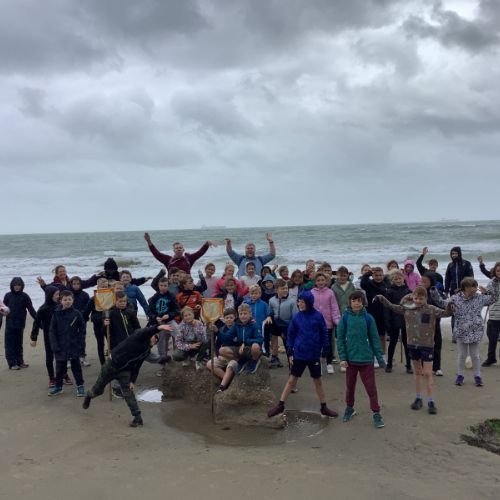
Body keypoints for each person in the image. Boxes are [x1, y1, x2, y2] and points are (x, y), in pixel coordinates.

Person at [376, 287, 452, 414]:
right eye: (416, 298)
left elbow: (446, 313)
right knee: (417, 373)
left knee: (427, 373)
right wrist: (382, 298)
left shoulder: (432, 309)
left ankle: (431, 401)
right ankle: (418, 398)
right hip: (412, 345)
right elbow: (393, 306)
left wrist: (450, 306)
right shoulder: (407, 308)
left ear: (426, 298)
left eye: (421, 298)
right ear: (413, 297)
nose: (418, 301)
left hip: (427, 345)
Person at [83, 324, 172, 427]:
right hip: (111, 366)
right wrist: (158, 327)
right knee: (98, 390)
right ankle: (89, 396)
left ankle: (137, 418)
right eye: (154, 337)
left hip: (125, 371)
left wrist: (132, 381)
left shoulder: (146, 352)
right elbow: (147, 331)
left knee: (128, 393)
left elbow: (138, 366)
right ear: (150, 335)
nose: (155, 340)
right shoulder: (138, 336)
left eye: (157, 340)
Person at [267, 291, 338, 419]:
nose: (299, 304)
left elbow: (324, 332)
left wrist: (326, 348)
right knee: (291, 380)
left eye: (302, 302)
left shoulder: (318, 316)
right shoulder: (297, 317)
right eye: (299, 301)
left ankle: (324, 407)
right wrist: (290, 350)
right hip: (299, 354)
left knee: (318, 381)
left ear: (309, 302)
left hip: (314, 354)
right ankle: (280, 405)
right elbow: (291, 334)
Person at [432, 277, 499, 387]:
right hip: (461, 330)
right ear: (465, 288)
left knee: (475, 355)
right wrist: (434, 292)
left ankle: (478, 376)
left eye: (475, 286)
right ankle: (460, 376)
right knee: (462, 355)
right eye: (472, 286)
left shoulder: (480, 298)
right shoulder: (456, 298)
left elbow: (495, 298)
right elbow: (442, 303)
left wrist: (491, 289)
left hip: (475, 330)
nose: (474, 289)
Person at [337, 291, 386, 428]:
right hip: (350, 361)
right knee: (350, 387)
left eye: (359, 301)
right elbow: (340, 339)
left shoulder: (368, 318)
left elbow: (375, 339)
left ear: (363, 302)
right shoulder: (345, 318)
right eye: (354, 301)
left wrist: (380, 358)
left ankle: (376, 413)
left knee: (371, 388)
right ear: (350, 302)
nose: (356, 303)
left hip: (366, 360)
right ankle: (349, 408)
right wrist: (342, 358)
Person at [48, 290, 86, 397]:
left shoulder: (77, 313)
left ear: (73, 300)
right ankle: (58, 387)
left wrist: (80, 344)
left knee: (76, 367)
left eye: (69, 299)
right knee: (60, 368)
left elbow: (82, 330)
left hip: (74, 345)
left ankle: (80, 385)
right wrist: (54, 346)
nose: (67, 301)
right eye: (65, 300)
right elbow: (52, 331)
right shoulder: (56, 314)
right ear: (61, 301)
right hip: (60, 346)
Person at [2, 277, 36, 370]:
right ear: (12, 286)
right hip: (10, 324)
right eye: (15, 285)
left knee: (18, 344)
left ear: (22, 286)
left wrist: (38, 320)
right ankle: (12, 364)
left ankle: (20, 362)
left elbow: (31, 310)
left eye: (19, 285)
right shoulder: (8, 296)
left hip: (20, 324)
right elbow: (2, 309)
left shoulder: (25, 296)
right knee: (10, 344)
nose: (17, 287)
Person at [30, 286, 60, 387]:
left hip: (60, 335)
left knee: (61, 356)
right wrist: (34, 338)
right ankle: (52, 378)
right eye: (56, 294)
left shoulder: (60, 306)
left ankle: (64, 375)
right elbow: (36, 323)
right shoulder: (43, 309)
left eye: (58, 294)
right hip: (48, 336)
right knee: (49, 356)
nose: (58, 296)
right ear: (50, 295)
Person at [311, 272, 341, 374]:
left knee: (327, 344)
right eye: (318, 280)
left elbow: (334, 307)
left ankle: (329, 363)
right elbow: (309, 308)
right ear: (315, 282)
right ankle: (317, 364)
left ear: (326, 281)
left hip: (327, 323)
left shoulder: (330, 292)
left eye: (322, 280)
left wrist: (337, 320)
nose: (320, 282)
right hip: (315, 324)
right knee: (316, 344)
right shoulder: (312, 292)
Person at [144, 232, 215, 274]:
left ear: (183, 250)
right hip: (173, 286)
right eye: (176, 248)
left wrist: (206, 244)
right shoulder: (168, 260)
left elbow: (199, 253)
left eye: (180, 248)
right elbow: (157, 254)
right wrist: (149, 241)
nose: (178, 249)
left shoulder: (189, 258)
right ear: (173, 250)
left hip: (186, 286)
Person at [384, 271, 412, 374]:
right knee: (393, 342)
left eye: (400, 278)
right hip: (394, 320)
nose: (398, 280)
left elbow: (412, 305)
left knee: (407, 343)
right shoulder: (389, 291)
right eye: (395, 279)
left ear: (403, 279)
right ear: (392, 280)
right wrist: (387, 321)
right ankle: (389, 364)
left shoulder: (408, 291)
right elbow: (387, 307)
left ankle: (408, 364)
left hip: (406, 319)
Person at [265, 279, 297, 368]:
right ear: (276, 290)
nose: (285, 290)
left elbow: (295, 316)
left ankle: (291, 360)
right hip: (276, 323)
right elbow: (270, 311)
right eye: (282, 288)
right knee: (267, 326)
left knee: (287, 343)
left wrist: (291, 328)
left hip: (287, 324)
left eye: (286, 288)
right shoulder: (272, 300)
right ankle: (270, 353)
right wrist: (269, 316)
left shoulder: (292, 301)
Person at [444, 247, 474, 343]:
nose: (454, 255)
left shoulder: (466, 264)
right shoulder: (450, 265)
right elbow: (447, 279)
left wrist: (463, 289)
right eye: (452, 254)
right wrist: (446, 291)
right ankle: (455, 335)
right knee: (454, 313)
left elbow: (471, 278)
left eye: (456, 253)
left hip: (465, 292)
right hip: (453, 293)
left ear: (459, 254)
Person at [147, 277, 179, 364]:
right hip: (158, 322)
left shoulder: (172, 296)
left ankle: (180, 354)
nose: (163, 287)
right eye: (161, 285)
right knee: (160, 340)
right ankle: (162, 358)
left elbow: (177, 310)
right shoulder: (154, 297)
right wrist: (155, 317)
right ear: (158, 286)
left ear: (168, 286)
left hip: (169, 320)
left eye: (165, 285)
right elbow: (149, 311)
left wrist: (169, 315)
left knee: (179, 334)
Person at [360, 267, 387, 365]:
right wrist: (369, 272)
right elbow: (363, 282)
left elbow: (385, 291)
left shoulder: (386, 285)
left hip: (383, 314)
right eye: (376, 275)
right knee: (372, 336)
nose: (378, 277)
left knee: (382, 336)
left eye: (380, 275)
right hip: (372, 313)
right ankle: (374, 356)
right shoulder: (369, 284)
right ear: (373, 276)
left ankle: (383, 356)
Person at [206, 308, 239, 388]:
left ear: (235, 317)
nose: (229, 320)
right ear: (224, 319)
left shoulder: (238, 328)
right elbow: (217, 345)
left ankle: (226, 382)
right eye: (227, 318)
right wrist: (218, 355)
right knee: (210, 364)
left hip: (234, 355)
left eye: (231, 317)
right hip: (223, 356)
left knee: (231, 365)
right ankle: (228, 381)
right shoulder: (221, 329)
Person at [420, 272, 445, 375]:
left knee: (437, 344)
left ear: (431, 281)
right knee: (423, 346)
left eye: (425, 281)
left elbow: (443, 304)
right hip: (422, 323)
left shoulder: (436, 292)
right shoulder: (419, 292)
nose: (422, 283)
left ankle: (437, 367)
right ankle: (423, 367)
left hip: (435, 322)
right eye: (421, 281)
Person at [84, 277, 109, 366]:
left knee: (111, 342)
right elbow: (86, 312)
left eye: (106, 287)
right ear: (98, 287)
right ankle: (103, 364)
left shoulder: (111, 296)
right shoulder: (93, 299)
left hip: (109, 323)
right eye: (102, 287)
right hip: (98, 324)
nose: (104, 288)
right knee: (100, 343)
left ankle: (112, 361)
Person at [482, 262, 500, 366]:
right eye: (498, 271)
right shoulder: (491, 282)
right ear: (495, 271)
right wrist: (484, 293)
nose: (499, 272)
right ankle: (491, 358)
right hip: (494, 314)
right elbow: (487, 297)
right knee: (492, 337)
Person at [244, 285, 269, 355]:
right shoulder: (246, 303)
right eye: (252, 294)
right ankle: (250, 354)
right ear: (249, 294)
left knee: (261, 339)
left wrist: (268, 317)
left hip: (260, 326)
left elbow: (268, 313)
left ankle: (263, 352)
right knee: (250, 340)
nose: (254, 295)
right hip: (249, 326)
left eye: (256, 293)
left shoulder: (264, 304)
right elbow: (242, 313)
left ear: (260, 294)